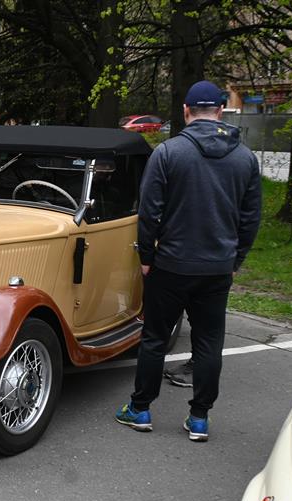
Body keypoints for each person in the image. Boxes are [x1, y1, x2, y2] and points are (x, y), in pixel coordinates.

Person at [114, 80, 261, 442]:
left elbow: (149, 212)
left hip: (171, 263)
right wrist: (235, 259)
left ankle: (141, 408)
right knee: (209, 341)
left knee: (154, 337)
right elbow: (250, 218)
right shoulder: (245, 159)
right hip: (216, 268)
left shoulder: (168, 153)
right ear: (221, 111)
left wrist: (146, 256)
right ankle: (199, 418)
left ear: (186, 111)